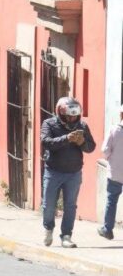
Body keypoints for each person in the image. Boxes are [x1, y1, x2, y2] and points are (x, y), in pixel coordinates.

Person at [40, 96, 96, 248]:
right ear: (61, 113)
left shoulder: (82, 126)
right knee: (48, 204)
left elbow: (91, 147)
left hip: (74, 173)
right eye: (69, 116)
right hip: (53, 171)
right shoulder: (49, 124)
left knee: (70, 206)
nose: (72, 119)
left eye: (75, 116)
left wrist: (82, 142)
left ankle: (66, 235)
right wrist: (66, 139)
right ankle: (48, 228)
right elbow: (46, 142)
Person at [99, 106, 123, 240]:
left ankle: (107, 229)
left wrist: (109, 159)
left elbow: (105, 150)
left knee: (112, 200)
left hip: (116, 172)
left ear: (121, 115)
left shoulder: (114, 130)